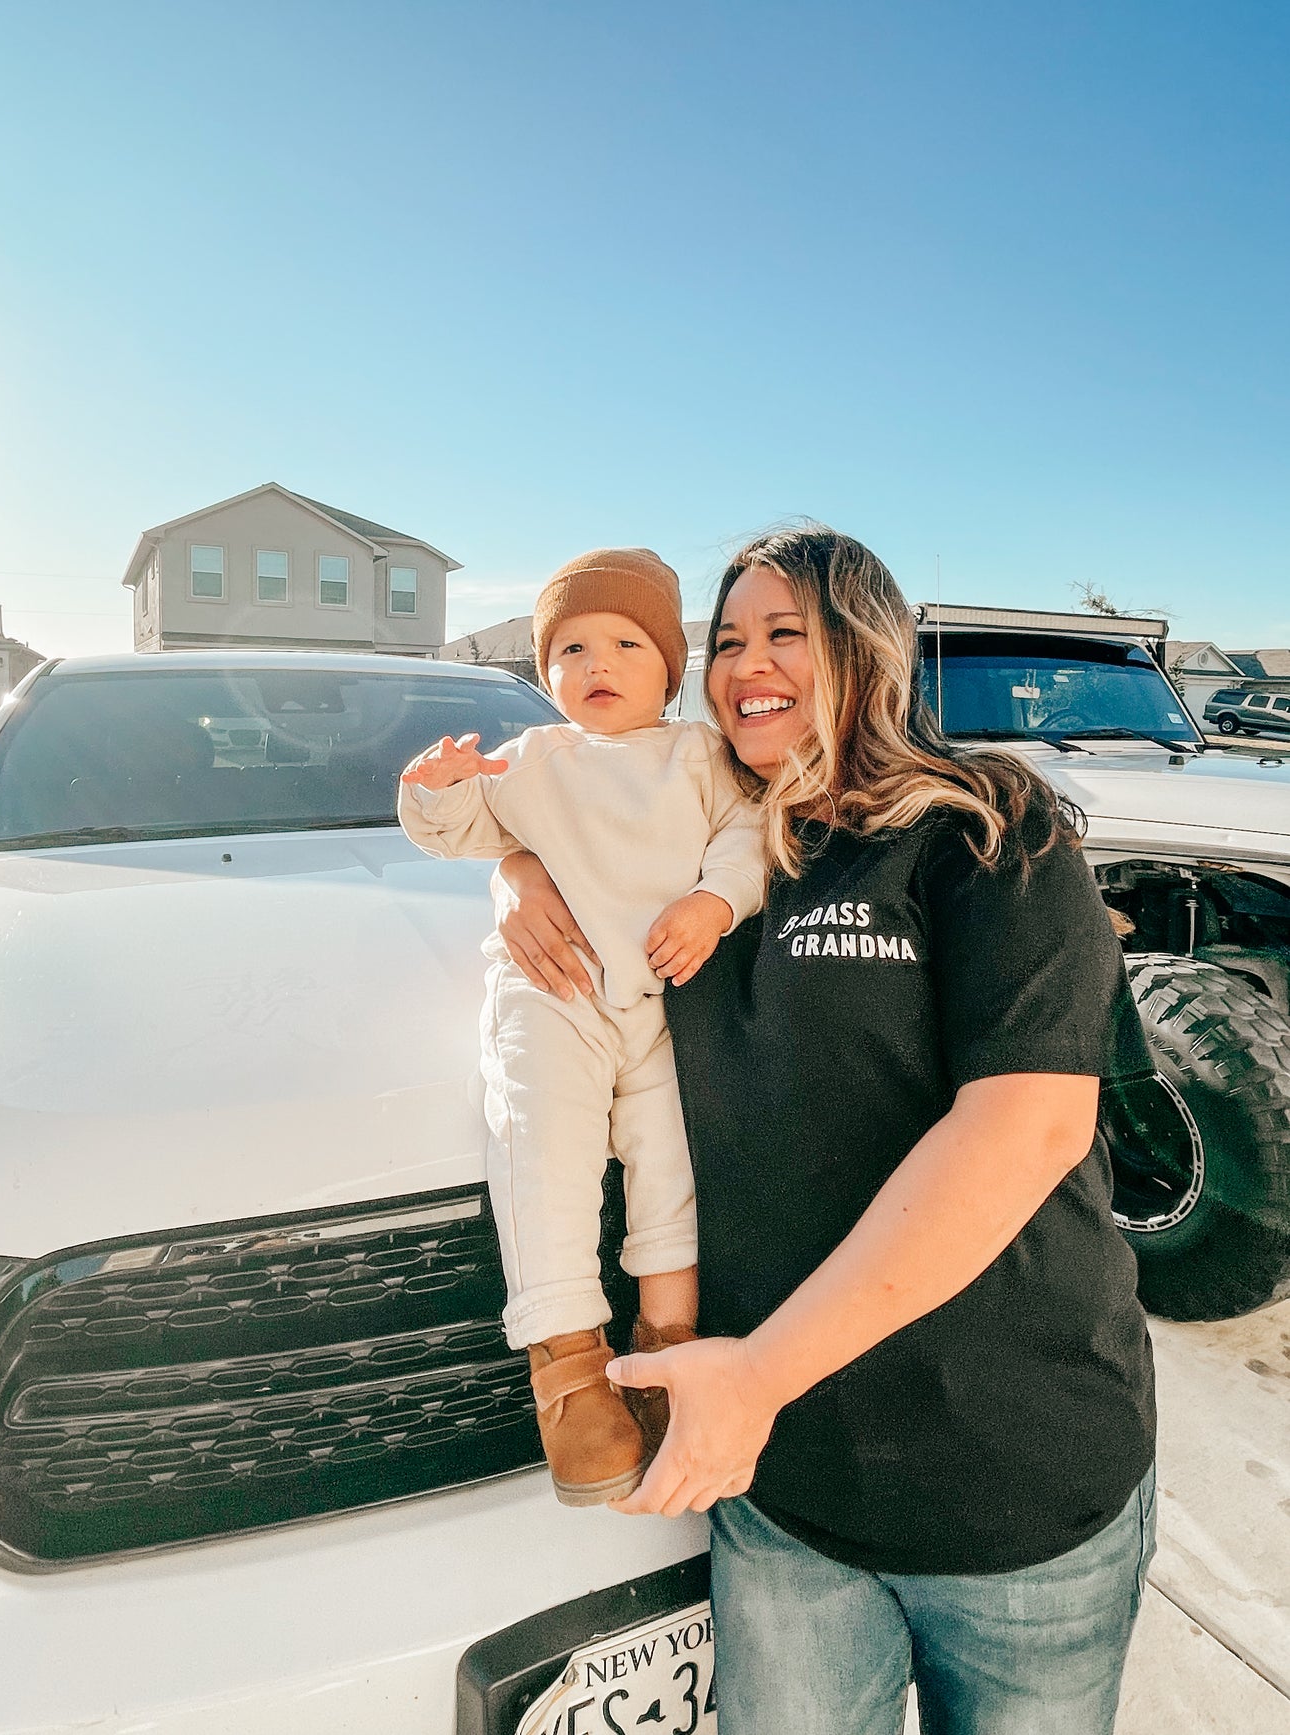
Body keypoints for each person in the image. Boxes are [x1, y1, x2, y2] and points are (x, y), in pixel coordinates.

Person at [493, 524, 1157, 1734]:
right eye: (727, 639)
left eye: (783, 632)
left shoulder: (984, 826)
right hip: (784, 1494)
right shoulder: (709, 840)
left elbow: (1027, 1125)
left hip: (1012, 1488)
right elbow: (566, 804)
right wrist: (516, 867)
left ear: (865, 645)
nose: (746, 663)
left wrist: (756, 1375)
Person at [397, 547, 763, 1507]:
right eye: (569, 648)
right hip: (551, 997)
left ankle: (668, 1345)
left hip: (659, 1000)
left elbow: (747, 839)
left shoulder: (700, 755)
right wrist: (432, 787)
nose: (595, 663)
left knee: (673, 1164)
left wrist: (715, 905)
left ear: (670, 667)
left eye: (624, 643)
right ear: (543, 670)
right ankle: (566, 1373)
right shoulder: (533, 758)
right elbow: (459, 829)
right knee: (544, 1155)